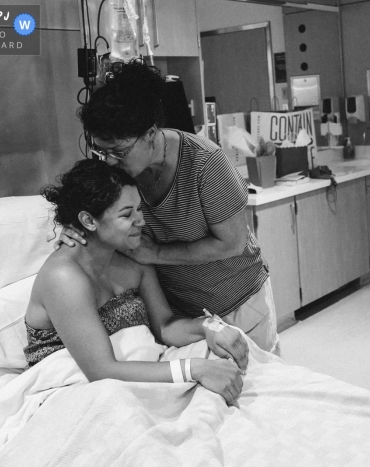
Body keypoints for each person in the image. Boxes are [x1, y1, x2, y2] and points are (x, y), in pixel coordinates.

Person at [61, 60, 279, 355]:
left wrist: (158, 253)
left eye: (119, 151)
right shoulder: (119, 174)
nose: (110, 161)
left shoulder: (205, 163)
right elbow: (97, 216)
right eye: (102, 151)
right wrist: (73, 230)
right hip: (182, 317)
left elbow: (233, 243)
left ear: (150, 134)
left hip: (240, 300)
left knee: (260, 383)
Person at [26, 160, 249, 404]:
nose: (141, 221)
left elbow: (164, 326)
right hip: (77, 388)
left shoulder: (135, 257)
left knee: (224, 354)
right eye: (126, 214)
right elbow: (101, 371)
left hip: (131, 369)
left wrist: (209, 328)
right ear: (89, 221)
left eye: (139, 209)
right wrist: (194, 369)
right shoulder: (64, 277)